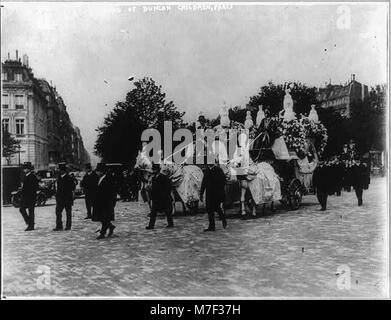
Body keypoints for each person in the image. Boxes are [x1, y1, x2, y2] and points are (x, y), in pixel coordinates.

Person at [199, 161, 227, 231]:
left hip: (216, 193)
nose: (209, 163)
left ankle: (223, 218)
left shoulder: (218, 170)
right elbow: (204, 182)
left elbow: (224, 181)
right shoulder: (207, 170)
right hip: (209, 193)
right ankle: (211, 226)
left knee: (217, 208)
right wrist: (201, 193)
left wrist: (220, 190)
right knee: (209, 210)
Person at [92, 163, 117, 239]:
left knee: (104, 217)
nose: (97, 173)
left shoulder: (108, 179)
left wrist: (112, 202)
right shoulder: (100, 178)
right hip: (100, 202)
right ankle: (111, 226)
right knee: (102, 218)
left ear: (102, 172)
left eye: (98, 171)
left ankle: (102, 233)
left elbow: (111, 191)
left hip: (106, 202)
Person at [146, 163, 174, 230]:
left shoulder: (164, 177)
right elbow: (153, 188)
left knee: (168, 212)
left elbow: (169, 187)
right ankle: (151, 225)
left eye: (155, 170)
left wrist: (165, 195)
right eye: (153, 170)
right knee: (153, 212)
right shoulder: (153, 178)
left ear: (158, 170)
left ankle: (170, 224)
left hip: (165, 198)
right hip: (156, 198)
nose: (153, 171)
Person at [53, 162, 75, 231]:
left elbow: (73, 187)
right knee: (58, 212)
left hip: (67, 198)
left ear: (63, 170)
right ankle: (59, 226)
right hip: (60, 199)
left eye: (60, 170)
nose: (59, 171)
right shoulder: (59, 178)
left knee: (68, 213)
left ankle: (68, 226)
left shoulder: (69, 178)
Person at [19, 162, 39, 231]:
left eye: (27, 168)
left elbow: (36, 187)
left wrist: (31, 193)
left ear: (29, 169)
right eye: (24, 168)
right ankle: (29, 222)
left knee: (31, 211)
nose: (25, 169)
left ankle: (31, 226)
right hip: (25, 197)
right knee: (21, 209)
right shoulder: (25, 176)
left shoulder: (32, 176)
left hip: (31, 197)